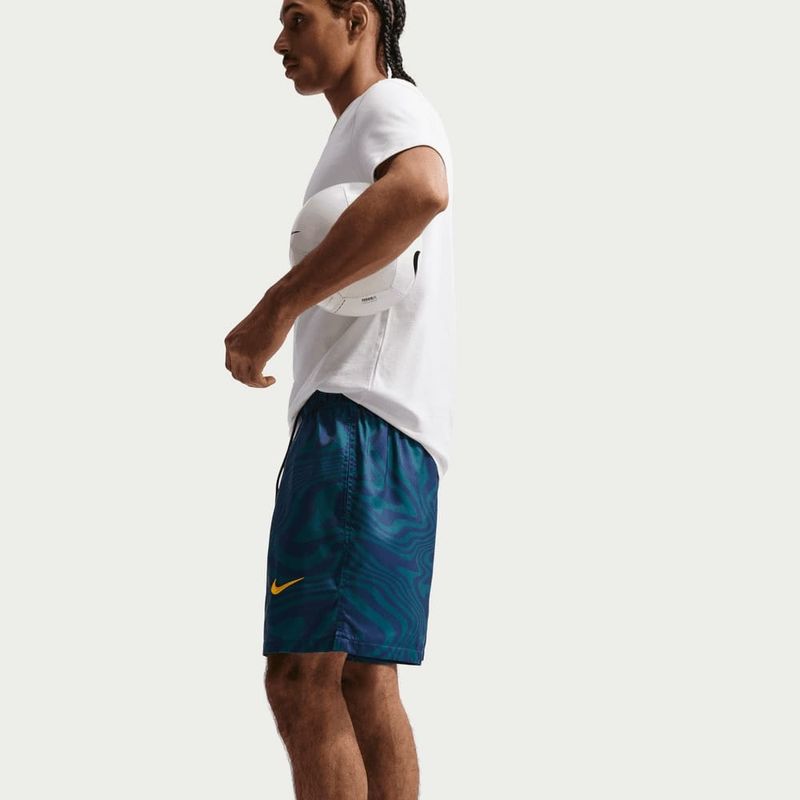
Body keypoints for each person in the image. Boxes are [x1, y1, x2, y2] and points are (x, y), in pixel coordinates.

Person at [223, 1, 455, 797]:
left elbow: (422, 189)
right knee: (360, 678)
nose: (279, 41)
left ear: (358, 20)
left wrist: (275, 309)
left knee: (301, 677)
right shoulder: (372, 121)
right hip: (392, 436)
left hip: (356, 428)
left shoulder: (386, 107)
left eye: (298, 19)